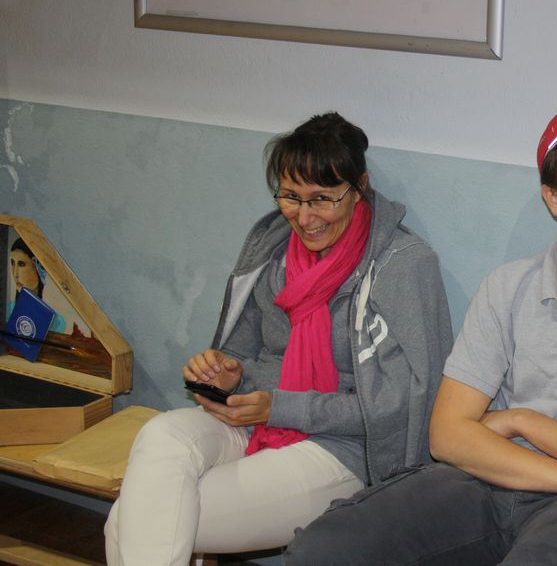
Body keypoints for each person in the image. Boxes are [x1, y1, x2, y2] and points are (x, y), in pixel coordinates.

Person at [285, 104, 557, 565]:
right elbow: (446, 436)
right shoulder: (509, 287)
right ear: (554, 198)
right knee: (324, 548)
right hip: (498, 480)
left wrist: (522, 420)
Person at [104, 112, 454, 565]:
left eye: (322, 199)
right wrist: (226, 374)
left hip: (346, 449)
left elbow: (404, 406)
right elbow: (240, 353)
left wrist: (279, 406)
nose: (304, 218)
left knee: (132, 520)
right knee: (162, 434)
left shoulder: (403, 265)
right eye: (291, 196)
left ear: (359, 188)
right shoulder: (271, 248)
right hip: (254, 422)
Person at [7, 237, 66, 333]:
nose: (15, 274)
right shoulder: (8, 311)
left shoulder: (56, 322)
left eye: (21, 264)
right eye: (12, 263)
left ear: (38, 267)